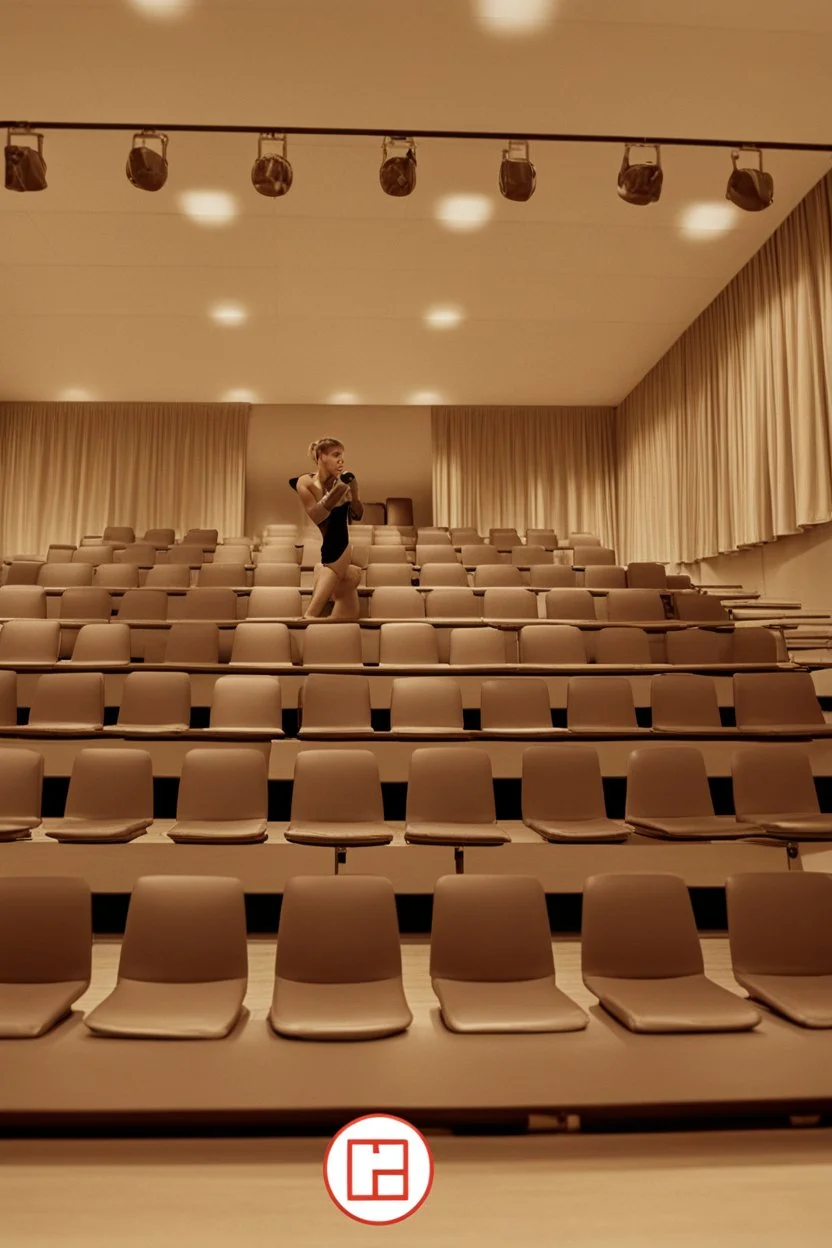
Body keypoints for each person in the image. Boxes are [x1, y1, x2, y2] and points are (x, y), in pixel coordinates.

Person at [289, 437, 364, 619]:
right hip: (332, 551)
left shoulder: (342, 483)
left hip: (340, 548)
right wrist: (339, 489)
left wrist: (354, 491)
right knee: (347, 575)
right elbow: (318, 515)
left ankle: (311, 613)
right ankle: (347, 575)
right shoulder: (305, 482)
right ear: (321, 456)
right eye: (335, 455)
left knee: (325, 616)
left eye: (342, 456)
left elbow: (357, 515)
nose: (341, 460)